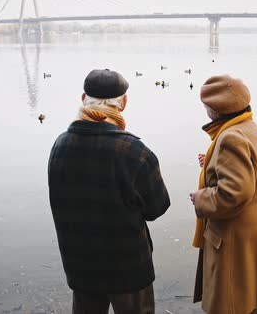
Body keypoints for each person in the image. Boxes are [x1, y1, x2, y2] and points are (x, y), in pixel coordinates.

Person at [48, 69, 171, 314]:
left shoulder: (60, 145)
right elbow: (157, 207)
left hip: (79, 263)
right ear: (123, 103)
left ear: (83, 97)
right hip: (128, 267)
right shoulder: (133, 151)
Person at [190, 75, 257, 314]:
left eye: (206, 106)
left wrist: (201, 198)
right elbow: (251, 172)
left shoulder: (230, 137)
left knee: (232, 303)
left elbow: (233, 194)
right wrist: (211, 165)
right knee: (248, 298)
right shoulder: (250, 128)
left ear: (215, 109)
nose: (205, 110)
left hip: (238, 235)